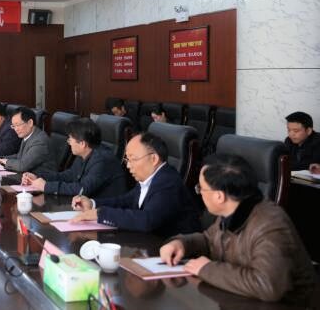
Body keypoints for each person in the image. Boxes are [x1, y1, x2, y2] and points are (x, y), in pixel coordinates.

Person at [159, 154, 316, 304]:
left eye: (201, 188)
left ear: (219, 196)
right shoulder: (233, 209)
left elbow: (267, 285)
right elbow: (209, 240)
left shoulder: (270, 224)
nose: (199, 193)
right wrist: (181, 243)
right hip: (244, 300)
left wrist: (207, 269)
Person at [71, 132, 200, 237]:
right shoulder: (150, 177)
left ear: (154, 159)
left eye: (133, 159)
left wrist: (100, 214)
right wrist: (92, 204)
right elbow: (126, 200)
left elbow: (147, 219)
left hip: (177, 252)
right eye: (127, 159)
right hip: (151, 243)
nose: (128, 165)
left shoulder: (168, 182)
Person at [22, 118, 126, 197]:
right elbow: (69, 175)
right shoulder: (84, 153)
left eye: (70, 139)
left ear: (82, 143)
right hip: (87, 206)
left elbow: (82, 189)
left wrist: (46, 186)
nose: (69, 142)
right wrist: (38, 177)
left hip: (106, 210)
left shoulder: (102, 160)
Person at [0, 107, 56, 173]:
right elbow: (19, 156)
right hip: (28, 176)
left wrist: (4, 161)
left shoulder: (40, 141)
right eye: (13, 126)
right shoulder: (28, 135)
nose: (16, 129)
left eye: (18, 125)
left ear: (30, 123)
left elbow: (22, 166)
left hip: (42, 179)